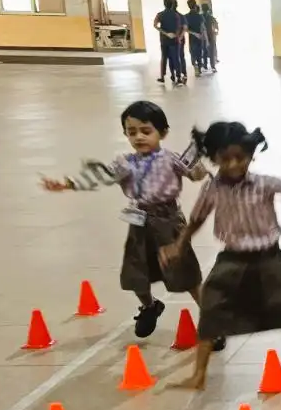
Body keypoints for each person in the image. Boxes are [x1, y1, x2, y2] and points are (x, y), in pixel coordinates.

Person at [164, 122, 281, 390]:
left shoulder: (264, 184)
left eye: (241, 157)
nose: (234, 164)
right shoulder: (212, 189)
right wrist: (179, 244)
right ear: (214, 159)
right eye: (225, 159)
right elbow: (196, 219)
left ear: (251, 154)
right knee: (210, 310)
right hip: (231, 260)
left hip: (269, 260)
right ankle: (198, 375)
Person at [40, 100, 210, 340]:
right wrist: (67, 184)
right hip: (139, 222)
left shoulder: (170, 159)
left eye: (146, 131)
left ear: (163, 133)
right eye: (132, 132)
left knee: (185, 273)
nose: (139, 137)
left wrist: (201, 162)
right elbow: (100, 176)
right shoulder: (125, 163)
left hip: (168, 222)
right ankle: (150, 305)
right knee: (136, 272)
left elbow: (193, 173)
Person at [153, 0, 187, 85]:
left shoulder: (160, 14)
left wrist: (166, 33)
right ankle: (179, 77)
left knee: (164, 58)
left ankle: (162, 77)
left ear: (164, 4)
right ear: (172, 5)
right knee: (176, 58)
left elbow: (155, 25)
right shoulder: (177, 15)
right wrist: (176, 36)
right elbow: (179, 27)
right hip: (174, 40)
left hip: (164, 40)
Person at [184, 0, 207, 76]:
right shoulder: (199, 16)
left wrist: (194, 33)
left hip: (192, 38)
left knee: (193, 53)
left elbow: (186, 29)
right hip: (200, 38)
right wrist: (205, 38)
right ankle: (199, 69)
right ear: (195, 5)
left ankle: (196, 68)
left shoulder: (186, 16)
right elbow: (203, 28)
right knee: (199, 53)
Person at [201, 2, 219, 71]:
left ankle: (205, 65)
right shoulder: (211, 17)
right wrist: (216, 31)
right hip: (211, 35)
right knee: (211, 52)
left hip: (203, 36)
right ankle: (213, 66)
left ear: (202, 9)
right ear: (208, 9)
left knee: (204, 51)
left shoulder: (200, 17)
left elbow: (201, 27)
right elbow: (216, 26)